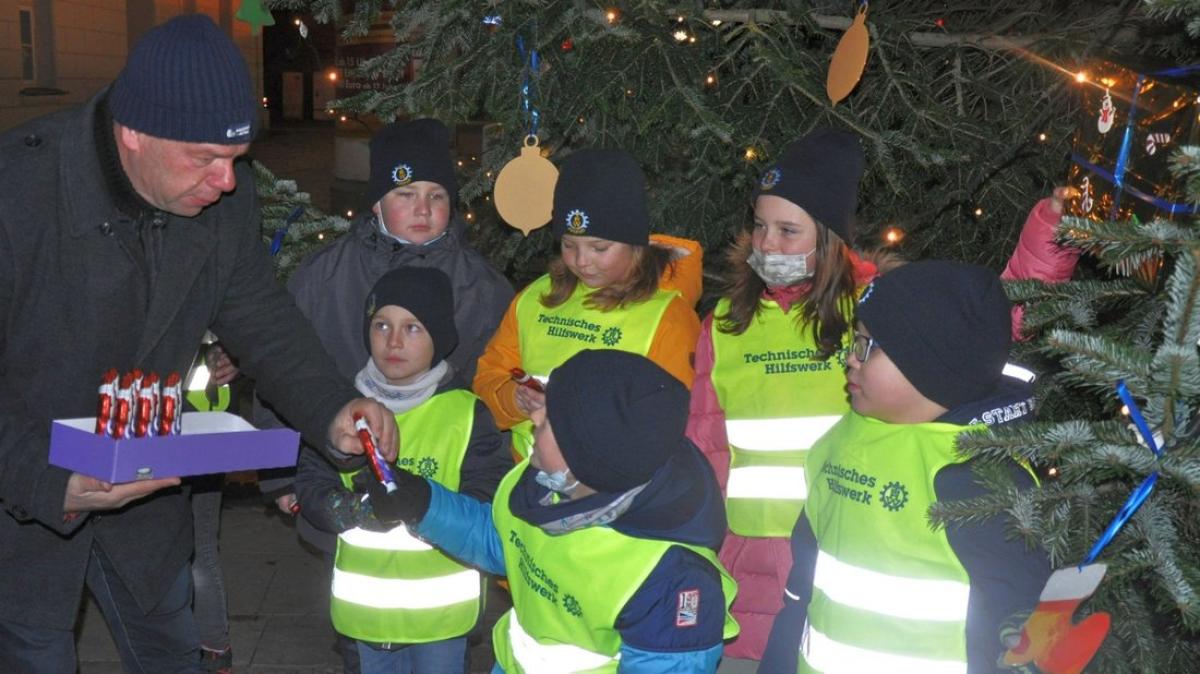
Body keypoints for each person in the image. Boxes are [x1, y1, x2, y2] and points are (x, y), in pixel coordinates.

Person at [0, 15, 396, 673]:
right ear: (133, 134)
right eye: (205, 159)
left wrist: (333, 406)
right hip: (24, 507)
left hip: (147, 504)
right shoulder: (16, 196)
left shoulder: (217, 204)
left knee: (172, 652)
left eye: (236, 160)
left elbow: (261, 317)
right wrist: (46, 480)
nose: (228, 184)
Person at [759, 261, 1052, 673]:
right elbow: (802, 584)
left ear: (929, 365)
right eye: (853, 342)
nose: (850, 358)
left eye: (867, 346)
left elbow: (1017, 630)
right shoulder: (837, 442)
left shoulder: (976, 478)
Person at [365, 349, 740, 672]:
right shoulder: (543, 486)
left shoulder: (671, 578)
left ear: (586, 455)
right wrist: (422, 503)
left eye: (546, 423)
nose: (532, 423)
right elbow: (503, 543)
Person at [685, 129, 877, 665]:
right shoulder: (725, 324)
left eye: (789, 231)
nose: (768, 245)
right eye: (761, 227)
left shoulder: (872, 315)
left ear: (831, 239)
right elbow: (704, 447)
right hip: (744, 562)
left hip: (840, 552)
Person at [295, 266, 510, 673]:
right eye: (382, 325)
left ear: (439, 337)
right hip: (364, 615)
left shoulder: (466, 413)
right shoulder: (342, 407)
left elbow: (488, 498)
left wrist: (424, 507)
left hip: (442, 621)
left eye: (413, 328)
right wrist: (353, 509)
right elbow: (311, 484)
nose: (393, 341)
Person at [473, 149, 703, 456]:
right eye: (569, 245)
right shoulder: (535, 299)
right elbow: (490, 375)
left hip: (616, 495)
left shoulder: (668, 317)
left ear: (634, 243)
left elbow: (672, 422)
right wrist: (513, 399)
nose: (582, 261)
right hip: (526, 488)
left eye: (600, 247)